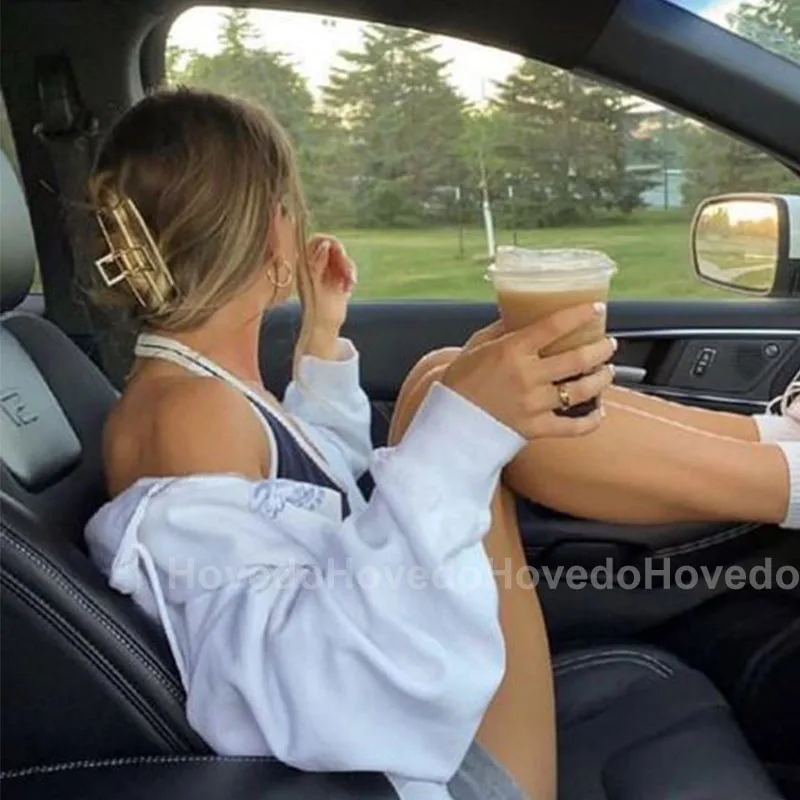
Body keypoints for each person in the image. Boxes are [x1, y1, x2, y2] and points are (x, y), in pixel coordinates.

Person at [83, 88, 799, 800]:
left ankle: (777, 437)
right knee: (465, 402)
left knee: (444, 374)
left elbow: (312, 507)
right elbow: (302, 684)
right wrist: (462, 432)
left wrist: (322, 345)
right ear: (273, 228)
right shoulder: (188, 418)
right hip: (433, 771)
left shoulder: (194, 390)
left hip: (420, 713)